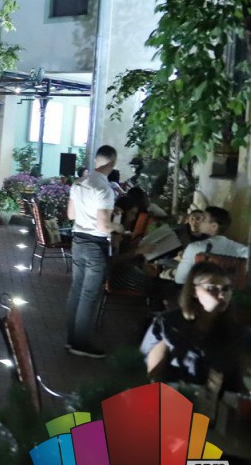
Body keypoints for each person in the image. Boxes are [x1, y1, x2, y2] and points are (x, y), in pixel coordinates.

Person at [141, 262, 249, 392]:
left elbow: (242, 382)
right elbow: (151, 376)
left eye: (226, 289)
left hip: (219, 401)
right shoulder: (167, 325)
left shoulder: (239, 333)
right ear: (193, 291)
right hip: (172, 398)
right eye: (212, 288)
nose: (222, 295)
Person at [64, 145, 119, 358]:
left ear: (96, 160)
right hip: (95, 244)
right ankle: (81, 343)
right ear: (113, 163)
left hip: (78, 240)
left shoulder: (79, 182)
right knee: (89, 295)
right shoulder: (105, 189)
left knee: (76, 290)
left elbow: (71, 215)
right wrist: (120, 227)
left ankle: (71, 339)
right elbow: (104, 226)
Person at [173, 207, 249, 284]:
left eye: (203, 219)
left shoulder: (194, 247)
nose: (199, 220)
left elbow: (180, 280)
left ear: (214, 226)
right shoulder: (244, 250)